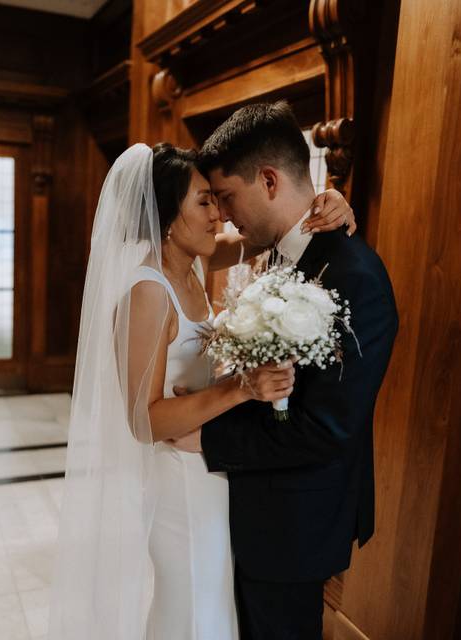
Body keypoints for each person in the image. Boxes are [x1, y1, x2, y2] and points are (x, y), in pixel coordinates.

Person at [49, 140, 356, 639]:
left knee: (211, 599)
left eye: (218, 200)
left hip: (210, 462)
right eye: (204, 202)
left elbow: (267, 233)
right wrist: (240, 390)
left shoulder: (192, 264)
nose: (219, 216)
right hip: (178, 479)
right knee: (192, 602)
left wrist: (331, 199)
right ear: (168, 217)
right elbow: (143, 421)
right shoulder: (149, 291)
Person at [169, 101, 399, 639]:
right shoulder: (277, 254)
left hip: (294, 523)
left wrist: (206, 435)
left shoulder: (354, 276)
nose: (222, 215)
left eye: (226, 197)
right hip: (254, 507)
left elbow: (326, 428)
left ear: (268, 180)